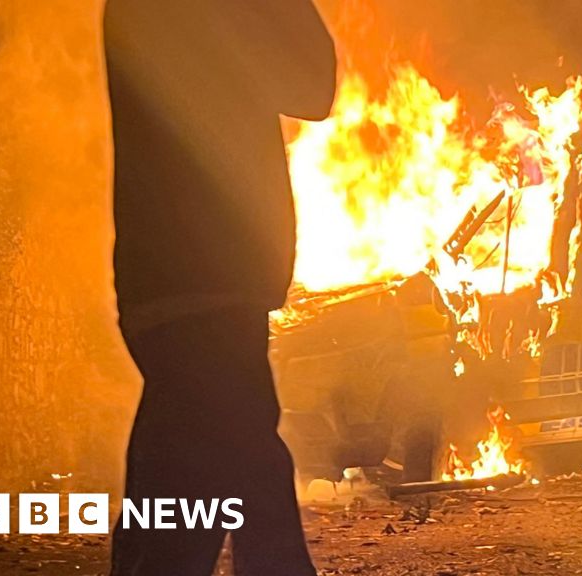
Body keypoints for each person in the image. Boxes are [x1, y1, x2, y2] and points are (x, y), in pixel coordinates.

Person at [104, 1, 336, 574]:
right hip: (209, 279)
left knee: (180, 483)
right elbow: (313, 86)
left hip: (172, 283)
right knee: (241, 480)